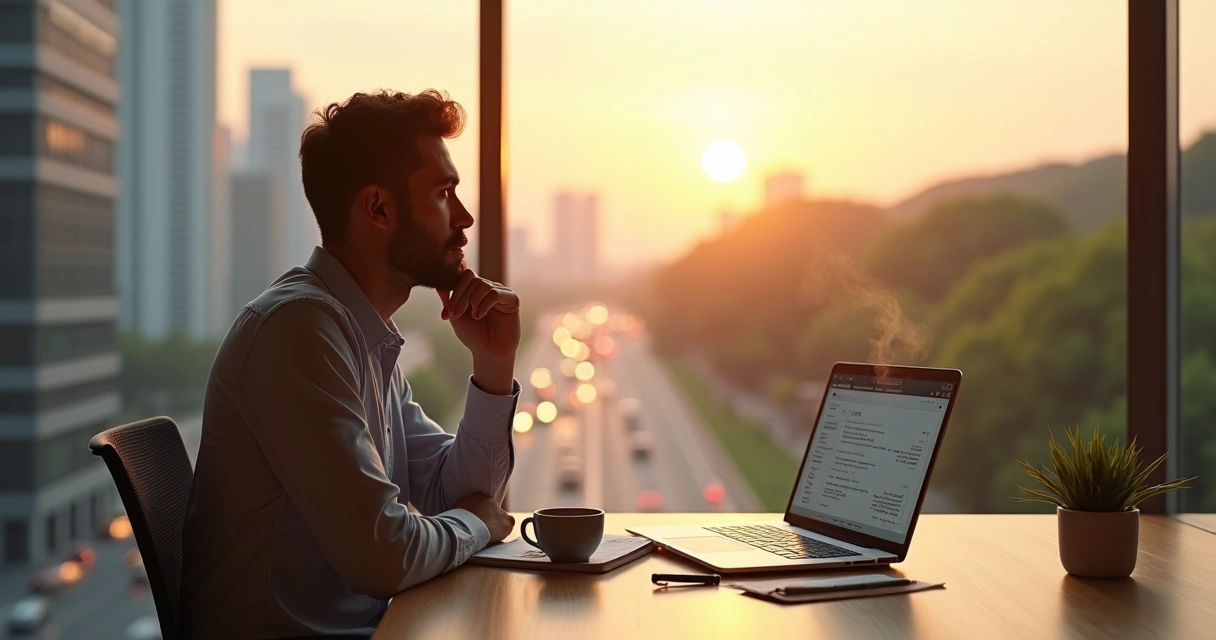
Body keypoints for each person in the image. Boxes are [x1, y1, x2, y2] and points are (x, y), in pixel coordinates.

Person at [181, 90, 520, 639]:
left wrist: (493, 361)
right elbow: (382, 556)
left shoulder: (359, 336)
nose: (465, 217)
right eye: (443, 194)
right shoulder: (297, 332)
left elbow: (456, 491)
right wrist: (476, 526)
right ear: (378, 208)